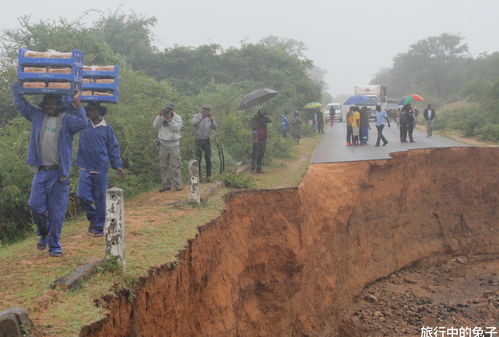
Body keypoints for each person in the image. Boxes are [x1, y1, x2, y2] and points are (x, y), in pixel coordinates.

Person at [12, 83, 87, 257]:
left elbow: (83, 122)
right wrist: (17, 88)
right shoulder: (38, 116)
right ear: (43, 105)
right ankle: (44, 232)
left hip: (59, 174)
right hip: (41, 172)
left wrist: (77, 102)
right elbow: (22, 106)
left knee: (57, 212)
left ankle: (54, 245)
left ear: (60, 105)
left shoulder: (67, 120)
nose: (51, 106)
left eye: (54, 103)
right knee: (35, 206)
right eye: (48, 103)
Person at [76, 102, 125, 237]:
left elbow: (113, 147)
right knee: (82, 196)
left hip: (100, 167)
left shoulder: (107, 128)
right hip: (85, 166)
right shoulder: (83, 125)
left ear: (99, 111)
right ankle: (93, 218)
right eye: (89, 110)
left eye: (93, 109)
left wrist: (117, 165)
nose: (91, 112)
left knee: (100, 199)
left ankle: (98, 227)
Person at [153, 103, 183, 192]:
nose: (167, 112)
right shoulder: (161, 116)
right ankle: (166, 185)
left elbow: (176, 129)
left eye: (169, 110)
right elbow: (155, 125)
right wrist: (159, 116)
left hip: (174, 144)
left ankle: (178, 184)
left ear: (173, 110)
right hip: (163, 144)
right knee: (163, 166)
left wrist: (169, 119)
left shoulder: (178, 117)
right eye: (166, 110)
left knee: (176, 165)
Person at [191, 103, 217, 182]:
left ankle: (208, 177)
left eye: (208, 110)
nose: (206, 111)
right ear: (202, 109)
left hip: (206, 140)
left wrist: (212, 120)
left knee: (208, 159)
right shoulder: (197, 115)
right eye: (205, 109)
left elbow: (215, 128)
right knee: (198, 159)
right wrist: (201, 118)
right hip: (198, 140)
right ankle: (199, 177)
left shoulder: (211, 117)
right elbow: (193, 123)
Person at [250, 108, 271, 173]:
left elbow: (270, 120)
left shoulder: (264, 118)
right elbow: (253, 126)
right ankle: (253, 168)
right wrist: (258, 116)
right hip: (256, 138)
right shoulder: (255, 118)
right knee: (255, 153)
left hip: (263, 138)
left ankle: (258, 168)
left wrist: (264, 116)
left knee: (261, 153)